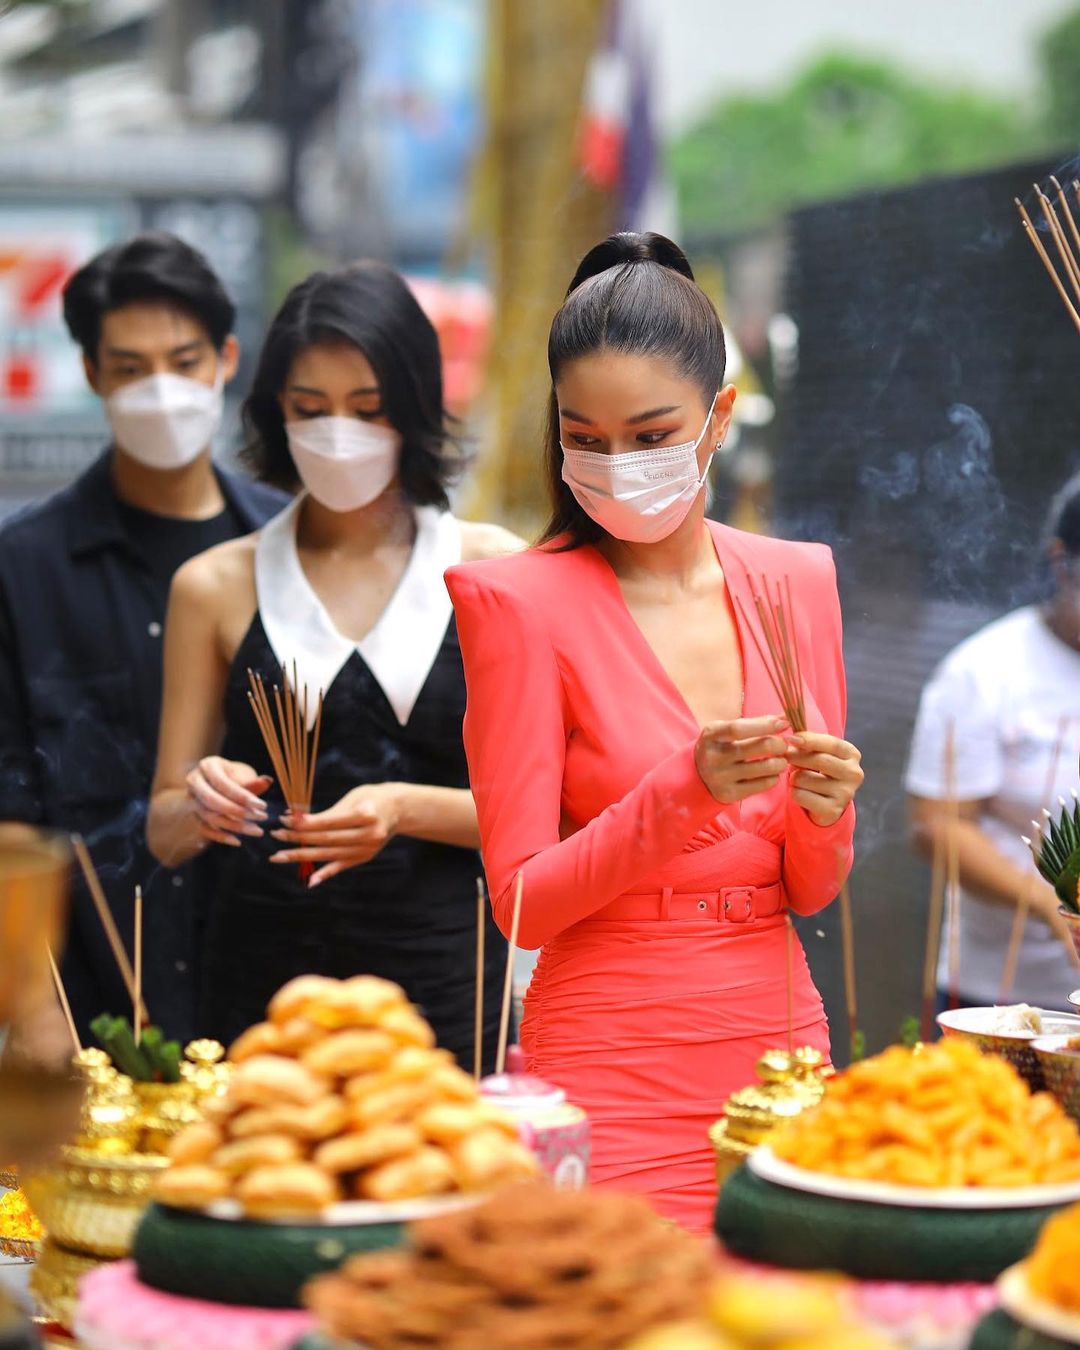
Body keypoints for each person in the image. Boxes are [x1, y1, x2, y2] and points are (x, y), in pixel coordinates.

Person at [444, 231, 864, 1232]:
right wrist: (683, 792)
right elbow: (523, 905)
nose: (615, 462)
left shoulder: (795, 580)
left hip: (775, 1044)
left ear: (717, 418)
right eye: (584, 438)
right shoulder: (520, 603)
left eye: (647, 434)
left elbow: (810, 885)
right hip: (606, 1057)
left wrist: (825, 813)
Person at [147, 262, 522, 1065]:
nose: (337, 435)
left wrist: (400, 807)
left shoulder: (495, 573)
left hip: (447, 996)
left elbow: (546, 821)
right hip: (259, 999)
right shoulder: (213, 585)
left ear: (416, 410)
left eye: (368, 410)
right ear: (274, 411)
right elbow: (163, 828)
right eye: (309, 410)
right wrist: (202, 801)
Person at [0, 233, 285, 1043]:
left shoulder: (289, 548)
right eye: (129, 368)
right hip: (92, 1011)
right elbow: (12, 817)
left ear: (226, 358)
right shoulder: (24, 569)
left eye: (184, 360)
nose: (161, 390)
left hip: (274, 1006)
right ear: (92, 374)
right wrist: (31, 1003)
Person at [906, 471, 1080, 1010]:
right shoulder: (984, 671)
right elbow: (938, 825)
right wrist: (1054, 904)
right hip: (1000, 1000)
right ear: (1062, 561)